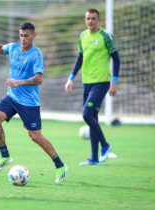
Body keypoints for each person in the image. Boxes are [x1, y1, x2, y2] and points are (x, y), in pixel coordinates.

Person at [0, 22, 67, 183]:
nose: (23, 38)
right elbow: (0, 48)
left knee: (35, 136)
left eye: (26, 35)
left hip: (29, 102)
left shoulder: (36, 54)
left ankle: (60, 166)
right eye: (21, 35)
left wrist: (19, 82)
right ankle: (5, 156)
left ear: (33, 36)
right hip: (12, 97)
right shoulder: (14, 47)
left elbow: (39, 79)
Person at [64, 8, 121, 166]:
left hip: (101, 82)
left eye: (93, 18)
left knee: (86, 114)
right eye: (88, 18)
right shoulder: (82, 36)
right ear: (85, 19)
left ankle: (105, 145)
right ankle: (94, 158)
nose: (90, 21)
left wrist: (114, 82)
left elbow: (116, 59)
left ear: (98, 20)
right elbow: (80, 58)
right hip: (86, 82)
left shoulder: (105, 36)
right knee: (92, 118)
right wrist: (71, 78)